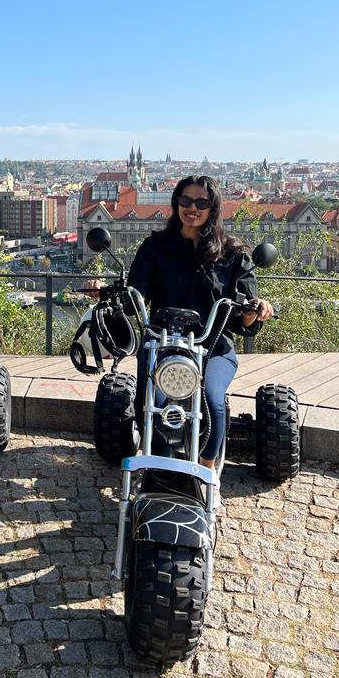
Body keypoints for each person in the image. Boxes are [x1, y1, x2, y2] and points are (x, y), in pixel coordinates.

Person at [126, 175, 274, 504]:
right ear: (176, 203)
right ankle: (150, 459)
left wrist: (255, 310)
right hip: (164, 345)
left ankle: (207, 474)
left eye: (201, 203)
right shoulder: (155, 247)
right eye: (186, 201)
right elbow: (135, 292)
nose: (193, 209)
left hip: (213, 347)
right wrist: (117, 295)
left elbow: (242, 317)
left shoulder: (233, 253)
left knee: (212, 399)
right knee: (150, 401)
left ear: (213, 208)